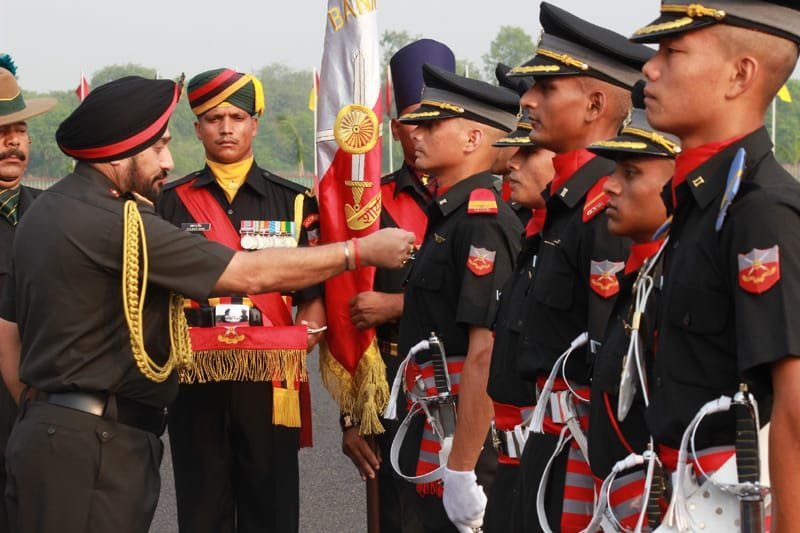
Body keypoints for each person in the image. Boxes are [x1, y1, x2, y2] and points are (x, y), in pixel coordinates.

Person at [0, 75, 414, 533]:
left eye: (237, 116)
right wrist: (359, 253)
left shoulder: (43, 211)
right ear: (122, 150)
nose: (168, 160)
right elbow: (248, 273)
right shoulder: (121, 223)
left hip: (55, 432)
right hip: (96, 443)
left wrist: (50, 412)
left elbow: (7, 330)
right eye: (157, 147)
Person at [630, 2, 800, 531]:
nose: (649, 68)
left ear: (740, 75)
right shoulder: (702, 206)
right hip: (680, 498)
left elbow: (794, 410)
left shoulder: (760, 210)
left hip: (731, 506)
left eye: (672, 52)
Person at [156, 67, 324, 533]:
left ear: (255, 123)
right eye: (213, 118)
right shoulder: (167, 205)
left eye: (236, 116)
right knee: (202, 512)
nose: (225, 127)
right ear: (197, 128)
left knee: (270, 512)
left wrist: (293, 346)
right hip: (195, 383)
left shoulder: (292, 202)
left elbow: (314, 296)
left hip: (270, 385)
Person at [506, 3, 653, 531]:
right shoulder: (566, 204)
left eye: (546, 89)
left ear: (594, 104)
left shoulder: (603, 207)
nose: (526, 99)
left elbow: (609, 366)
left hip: (582, 448)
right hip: (547, 439)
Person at [393, 63, 523, 532]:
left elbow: (483, 351)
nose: (416, 132)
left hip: (461, 431)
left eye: (431, 125)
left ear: (472, 140)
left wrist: (463, 467)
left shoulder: (480, 221)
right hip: (435, 416)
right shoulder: (451, 214)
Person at [343, 39, 454, 533]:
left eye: (437, 118)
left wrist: (397, 304)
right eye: (414, 119)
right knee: (393, 515)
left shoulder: (494, 202)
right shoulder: (370, 206)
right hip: (388, 380)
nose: (423, 132)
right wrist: (351, 416)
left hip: (463, 382)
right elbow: (350, 311)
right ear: (393, 129)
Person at [583, 106, 679, 530]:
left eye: (631, 173)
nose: (610, 186)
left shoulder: (675, 279)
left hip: (659, 504)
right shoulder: (647, 274)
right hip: (620, 498)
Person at [483, 95, 556, 533]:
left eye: (529, 152)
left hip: (548, 459)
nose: (512, 161)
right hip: (515, 460)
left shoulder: (589, 237)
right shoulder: (538, 235)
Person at [0, 54, 55, 533]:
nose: (13, 141)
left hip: (39, 411)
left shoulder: (51, 216)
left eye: (19, 129)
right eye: (0, 131)